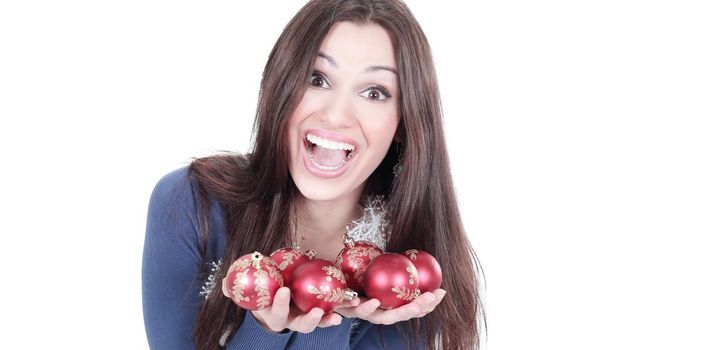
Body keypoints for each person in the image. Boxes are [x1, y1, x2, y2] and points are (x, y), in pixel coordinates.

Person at [142, 0, 485, 348]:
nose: (336, 115)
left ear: (404, 121)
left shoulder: (404, 278)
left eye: (374, 92)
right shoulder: (192, 205)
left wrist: (334, 316)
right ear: (281, 85)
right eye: (317, 79)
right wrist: (264, 328)